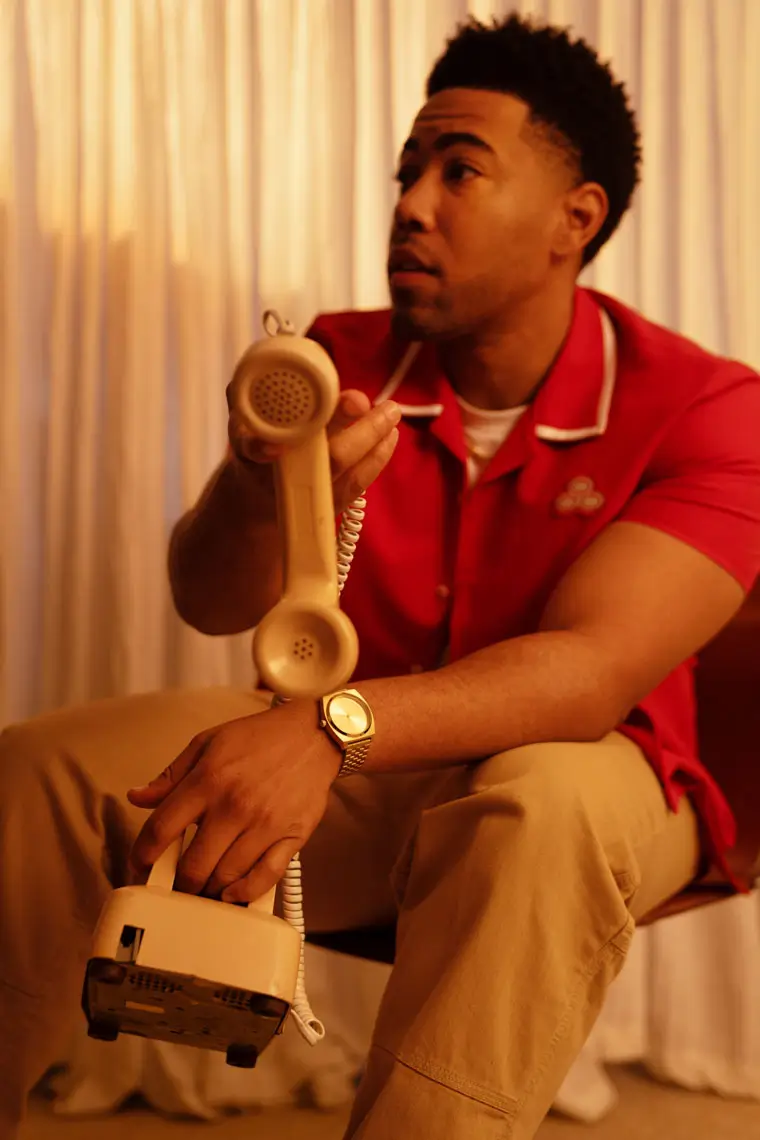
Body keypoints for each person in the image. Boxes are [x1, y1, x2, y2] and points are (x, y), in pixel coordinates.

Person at [1, 13, 759, 1140]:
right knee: (42, 774)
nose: (409, 203)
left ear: (575, 217)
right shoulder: (331, 365)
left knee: (536, 805)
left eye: (460, 171)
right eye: (408, 169)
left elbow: (592, 674)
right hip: (372, 776)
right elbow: (208, 599)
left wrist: (324, 729)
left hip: (599, 780)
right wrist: (259, 482)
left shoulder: (708, 407)